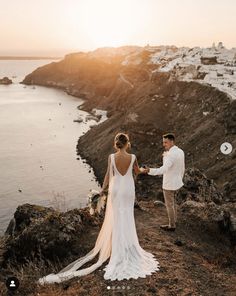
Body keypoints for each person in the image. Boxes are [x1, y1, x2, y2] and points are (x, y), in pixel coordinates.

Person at [38, 132, 160, 284]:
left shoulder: (111, 157)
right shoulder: (133, 157)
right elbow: (137, 172)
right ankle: (128, 246)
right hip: (128, 190)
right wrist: (145, 170)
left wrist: (102, 191)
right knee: (127, 216)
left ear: (116, 144)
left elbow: (109, 175)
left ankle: (118, 249)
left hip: (116, 191)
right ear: (127, 143)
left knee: (116, 218)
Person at [144, 133, 185, 231]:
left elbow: (163, 170)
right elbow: (183, 167)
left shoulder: (170, 155)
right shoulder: (180, 151)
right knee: (173, 203)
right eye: (163, 142)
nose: (164, 144)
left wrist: (149, 170)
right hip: (178, 182)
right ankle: (174, 220)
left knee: (169, 205)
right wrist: (180, 178)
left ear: (171, 141)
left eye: (165, 142)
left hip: (169, 184)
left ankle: (172, 225)